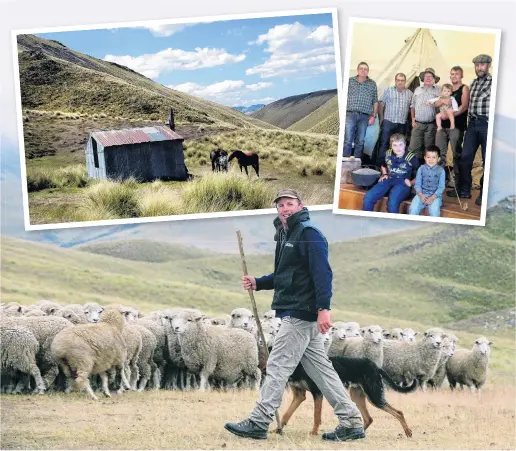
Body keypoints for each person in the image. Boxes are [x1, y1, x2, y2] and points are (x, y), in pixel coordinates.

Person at [224, 188, 365, 442]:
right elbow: (286, 275)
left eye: (289, 204)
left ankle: (258, 421)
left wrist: (324, 309)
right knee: (323, 372)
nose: (285, 209)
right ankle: (352, 422)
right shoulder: (284, 233)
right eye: (280, 205)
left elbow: (323, 274)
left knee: (277, 366)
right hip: (298, 311)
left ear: (300, 206)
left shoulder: (309, 233)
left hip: (302, 313)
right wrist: (258, 282)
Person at [447, 54, 493, 206]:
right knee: (465, 158)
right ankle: (464, 190)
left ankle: (482, 194)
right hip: (472, 124)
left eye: (482, 65)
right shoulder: (472, 83)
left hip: (487, 124)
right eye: (477, 65)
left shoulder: (494, 82)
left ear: (488, 66)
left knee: (487, 161)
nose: (479, 68)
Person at [363, 133, 419, 214]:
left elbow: (420, 174)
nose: (398, 148)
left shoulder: (411, 157)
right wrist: (385, 174)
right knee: (368, 197)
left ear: (405, 145)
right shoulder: (388, 153)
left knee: (392, 204)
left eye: (400, 144)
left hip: (402, 183)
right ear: (391, 146)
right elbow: (383, 164)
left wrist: (411, 182)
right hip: (389, 179)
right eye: (395, 145)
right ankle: (366, 221)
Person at [433, 66, 470, 187]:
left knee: (456, 153)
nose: (454, 76)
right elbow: (436, 103)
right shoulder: (446, 89)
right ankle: (440, 180)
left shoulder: (464, 88)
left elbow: (464, 106)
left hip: (456, 126)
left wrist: (450, 115)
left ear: (461, 75)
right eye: (452, 74)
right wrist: (442, 103)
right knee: (439, 153)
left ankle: (457, 181)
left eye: (457, 74)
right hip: (442, 127)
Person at [343, 62, 378, 158]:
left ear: (368, 71)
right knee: (348, 139)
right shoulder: (350, 81)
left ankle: (357, 163)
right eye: (361, 68)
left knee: (361, 140)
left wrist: (373, 116)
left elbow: (375, 101)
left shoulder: (372, 84)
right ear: (357, 70)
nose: (363, 70)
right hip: (350, 114)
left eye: (365, 69)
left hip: (364, 116)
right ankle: (345, 161)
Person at [377, 73, 413, 165]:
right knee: (384, 144)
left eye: (402, 80)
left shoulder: (409, 93)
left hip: (401, 123)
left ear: (405, 81)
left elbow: (411, 108)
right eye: (398, 80)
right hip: (388, 121)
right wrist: (381, 118)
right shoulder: (388, 90)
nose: (400, 82)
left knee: (399, 146)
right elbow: (381, 104)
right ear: (395, 80)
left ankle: (396, 166)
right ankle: (382, 166)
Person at [407, 68, 441, 162]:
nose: (428, 78)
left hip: (431, 124)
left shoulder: (439, 90)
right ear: (423, 78)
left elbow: (443, 102)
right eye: (426, 76)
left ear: (434, 79)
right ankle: (413, 171)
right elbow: (412, 105)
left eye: (430, 76)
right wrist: (413, 119)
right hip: (417, 123)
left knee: (428, 149)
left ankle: (426, 171)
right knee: (413, 148)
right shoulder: (417, 89)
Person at [408, 146, 446, 217]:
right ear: (425, 158)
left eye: (434, 157)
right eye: (428, 157)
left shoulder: (441, 171)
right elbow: (418, 184)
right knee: (413, 208)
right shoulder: (421, 168)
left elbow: (441, 187)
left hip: (435, 196)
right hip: (421, 194)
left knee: (434, 210)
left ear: (438, 159)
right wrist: (421, 195)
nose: (431, 160)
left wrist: (432, 198)